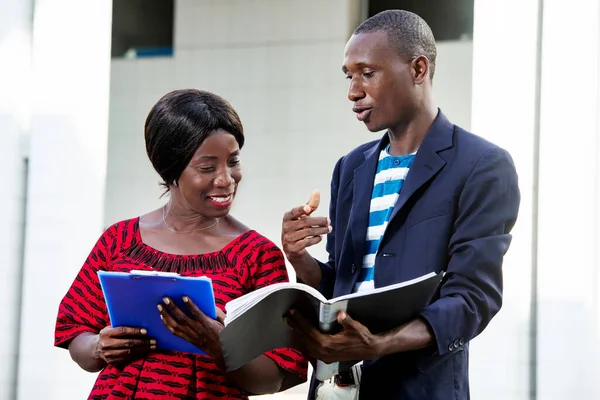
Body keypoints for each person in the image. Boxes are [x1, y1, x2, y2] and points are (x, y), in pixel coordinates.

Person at [281, 10, 520, 400]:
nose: (353, 91)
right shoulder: (350, 168)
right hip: (337, 388)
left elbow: (473, 298)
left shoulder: (481, 165)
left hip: (419, 388)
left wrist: (379, 344)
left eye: (367, 73)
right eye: (348, 76)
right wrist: (299, 258)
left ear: (418, 69)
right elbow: (339, 285)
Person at [55, 89, 307, 399]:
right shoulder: (118, 240)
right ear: (170, 170)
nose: (226, 179)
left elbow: (275, 378)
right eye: (207, 168)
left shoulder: (257, 256)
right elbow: (74, 332)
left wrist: (218, 345)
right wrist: (99, 346)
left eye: (233, 161)